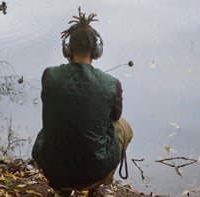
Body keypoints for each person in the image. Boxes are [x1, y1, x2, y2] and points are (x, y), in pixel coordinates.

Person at [32, 8, 132, 197]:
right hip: (94, 171)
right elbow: (115, 117)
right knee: (122, 126)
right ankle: (96, 186)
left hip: (52, 169)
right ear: (96, 51)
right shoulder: (112, 83)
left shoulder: (48, 75)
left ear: (67, 50)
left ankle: (63, 189)